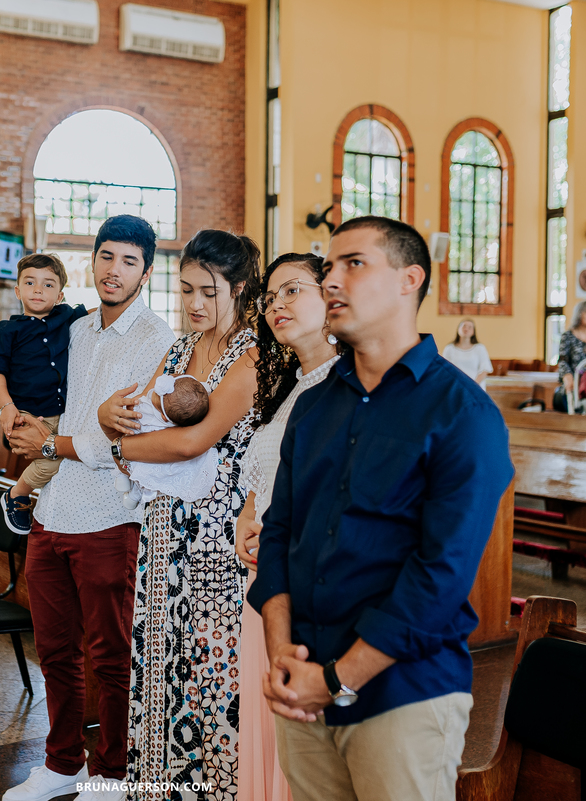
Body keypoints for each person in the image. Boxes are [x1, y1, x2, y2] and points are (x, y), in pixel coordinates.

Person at [248, 216, 513, 801]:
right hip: (303, 685)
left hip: (403, 693)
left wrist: (335, 680)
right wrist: (283, 656)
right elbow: (280, 534)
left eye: (354, 264)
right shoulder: (313, 408)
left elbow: (440, 576)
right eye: (328, 267)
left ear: (408, 280)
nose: (331, 280)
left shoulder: (462, 414)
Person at [2, 216, 175, 801]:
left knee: (110, 657)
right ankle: (62, 763)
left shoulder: (156, 340)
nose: (113, 270)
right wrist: (20, 420)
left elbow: (123, 441)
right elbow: (58, 405)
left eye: (128, 261)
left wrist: (49, 445)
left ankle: (113, 773)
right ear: (92, 261)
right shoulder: (75, 330)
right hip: (53, 510)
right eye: (106, 256)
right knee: (54, 649)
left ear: (146, 273)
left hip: (110, 515)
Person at [96, 229, 262, 801]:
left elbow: (194, 441)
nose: (193, 303)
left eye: (208, 292)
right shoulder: (179, 350)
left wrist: (122, 449)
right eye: (186, 289)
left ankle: (214, 790)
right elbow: (135, 412)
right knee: (161, 658)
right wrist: (113, 420)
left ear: (239, 290)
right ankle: (159, 787)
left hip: (218, 536)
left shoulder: (252, 356)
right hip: (164, 526)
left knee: (211, 667)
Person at [234, 252, 341, 801]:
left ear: (331, 297)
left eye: (293, 290)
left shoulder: (346, 385)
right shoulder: (291, 387)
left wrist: (277, 532)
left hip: (307, 580)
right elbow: (265, 475)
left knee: (304, 743)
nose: (277, 304)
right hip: (265, 580)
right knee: (270, 721)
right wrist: (246, 519)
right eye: (271, 297)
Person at [0, 252, 88, 534]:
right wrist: (7, 406)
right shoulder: (6, 330)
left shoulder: (66, 317)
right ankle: (16, 494)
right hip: (25, 414)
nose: (38, 289)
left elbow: (99, 314)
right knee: (52, 462)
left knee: (73, 455)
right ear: (18, 291)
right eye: (30, 283)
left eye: (48, 284)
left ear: (60, 295)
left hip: (63, 412)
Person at [114, 374, 215, 509]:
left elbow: (129, 415)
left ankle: (124, 480)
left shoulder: (146, 413)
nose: (153, 393)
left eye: (155, 396)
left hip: (143, 449)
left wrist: (132, 406)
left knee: (136, 462)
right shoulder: (190, 408)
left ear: (163, 417)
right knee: (152, 478)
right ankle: (134, 495)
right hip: (169, 463)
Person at [440, 319, 493, 388]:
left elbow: (485, 369)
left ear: (473, 332)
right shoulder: (449, 348)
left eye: (470, 327)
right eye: (464, 326)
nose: (466, 329)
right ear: (458, 329)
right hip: (455, 386)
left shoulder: (480, 348)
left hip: (475, 387)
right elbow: (445, 369)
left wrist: (473, 385)